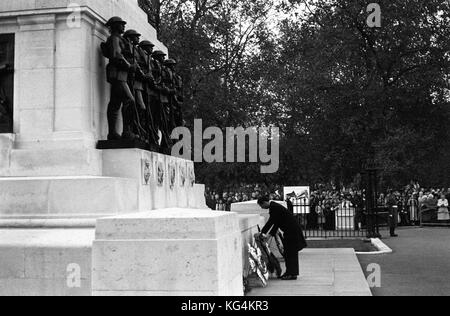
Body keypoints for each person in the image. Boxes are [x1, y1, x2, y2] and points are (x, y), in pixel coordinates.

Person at [101, 17, 136, 140]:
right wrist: (129, 65)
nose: (124, 26)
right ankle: (126, 131)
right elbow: (116, 54)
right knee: (129, 100)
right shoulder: (115, 38)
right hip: (117, 75)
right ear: (115, 26)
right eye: (121, 24)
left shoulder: (120, 39)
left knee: (115, 104)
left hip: (121, 75)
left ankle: (112, 133)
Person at [258, 197, 307, 281]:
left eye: (261, 205)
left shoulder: (274, 207)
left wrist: (263, 232)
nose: (262, 208)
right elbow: (277, 223)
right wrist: (268, 234)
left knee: (290, 253)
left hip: (292, 232)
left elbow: (271, 221)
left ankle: (291, 274)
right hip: (291, 231)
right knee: (289, 253)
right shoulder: (274, 206)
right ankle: (291, 273)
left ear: (265, 202)